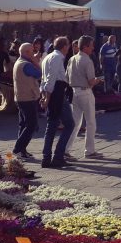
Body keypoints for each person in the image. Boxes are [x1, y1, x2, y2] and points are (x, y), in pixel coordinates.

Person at [40, 37, 74, 169]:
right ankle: (56, 156)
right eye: (68, 45)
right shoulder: (57, 58)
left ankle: (47, 157)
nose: (69, 48)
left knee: (52, 126)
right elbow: (51, 79)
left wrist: (44, 95)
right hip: (56, 93)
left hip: (54, 92)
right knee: (68, 124)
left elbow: (43, 80)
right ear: (64, 46)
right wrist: (47, 97)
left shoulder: (48, 57)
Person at [67, 36, 101, 159]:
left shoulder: (72, 59)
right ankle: (89, 151)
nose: (93, 48)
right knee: (91, 122)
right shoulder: (87, 60)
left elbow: (67, 77)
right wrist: (97, 80)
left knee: (75, 123)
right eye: (91, 45)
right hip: (85, 92)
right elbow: (91, 81)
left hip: (75, 92)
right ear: (85, 46)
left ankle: (66, 149)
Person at [12, 42, 42, 159]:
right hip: (27, 98)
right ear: (26, 52)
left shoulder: (19, 62)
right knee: (31, 125)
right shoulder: (26, 65)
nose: (34, 53)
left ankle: (22, 150)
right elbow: (39, 74)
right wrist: (36, 62)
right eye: (32, 51)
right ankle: (18, 149)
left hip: (21, 97)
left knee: (24, 124)